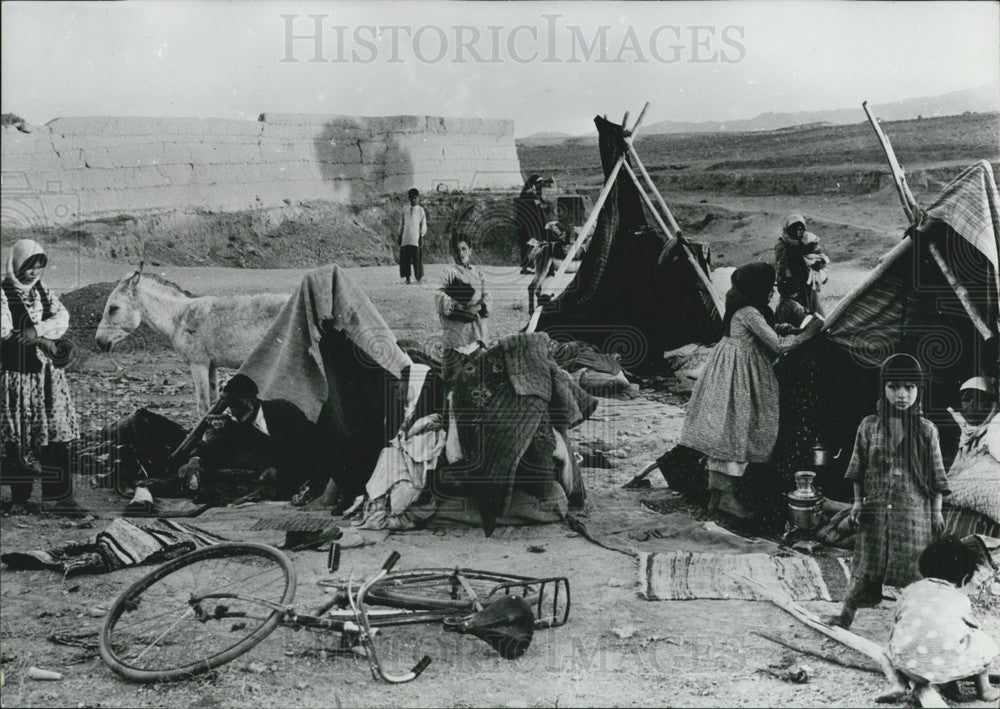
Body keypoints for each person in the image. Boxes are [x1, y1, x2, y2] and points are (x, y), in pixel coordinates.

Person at [679, 262, 821, 518]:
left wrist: (784, 328)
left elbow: (764, 332)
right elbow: (777, 345)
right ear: (758, 288)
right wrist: (808, 332)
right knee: (738, 431)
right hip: (740, 378)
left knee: (727, 432)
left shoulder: (744, 308)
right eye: (769, 287)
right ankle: (727, 498)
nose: (773, 292)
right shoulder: (748, 312)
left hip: (730, 373)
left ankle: (718, 495)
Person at [827, 353, 950, 629]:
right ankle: (845, 616)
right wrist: (858, 503)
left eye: (909, 387)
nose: (902, 394)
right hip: (875, 517)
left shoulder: (927, 431)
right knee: (864, 570)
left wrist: (937, 513)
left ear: (919, 389)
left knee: (916, 574)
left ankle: (919, 626)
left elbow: (938, 479)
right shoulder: (869, 426)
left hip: (914, 519)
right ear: (883, 387)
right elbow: (856, 469)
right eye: (894, 387)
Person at [0, 239, 82, 515]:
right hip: (18, 376)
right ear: (15, 264)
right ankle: (20, 498)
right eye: (29, 267)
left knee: (57, 431)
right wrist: (41, 341)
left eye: (38, 267)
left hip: (47, 376)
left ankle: (60, 497)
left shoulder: (42, 291)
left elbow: (62, 318)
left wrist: (38, 333)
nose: (34, 273)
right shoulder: (2, 292)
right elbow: (4, 331)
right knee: (19, 436)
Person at [879, 536, 999, 703]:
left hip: (908, 666)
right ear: (964, 578)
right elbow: (971, 627)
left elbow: (899, 616)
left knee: (886, 650)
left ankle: (897, 682)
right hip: (948, 666)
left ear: (923, 569)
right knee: (978, 638)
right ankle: (984, 689)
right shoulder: (959, 598)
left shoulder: (910, 590)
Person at [435, 234, 490, 385]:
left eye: (464, 249)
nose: (461, 253)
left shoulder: (478, 273)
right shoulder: (448, 272)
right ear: (452, 253)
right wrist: (455, 304)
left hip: (475, 336)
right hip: (455, 337)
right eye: (457, 250)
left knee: (478, 383)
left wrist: (478, 306)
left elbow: (487, 297)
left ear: (470, 251)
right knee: (451, 383)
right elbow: (438, 294)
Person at [774, 214, 828, 316]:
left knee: (812, 307)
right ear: (788, 229)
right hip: (792, 282)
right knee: (794, 309)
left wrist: (818, 264)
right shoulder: (782, 244)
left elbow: (819, 255)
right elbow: (781, 267)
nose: (798, 232)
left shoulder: (807, 240)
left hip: (807, 280)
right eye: (795, 229)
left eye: (801, 229)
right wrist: (787, 284)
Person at [514, 175, 548, 274]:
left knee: (533, 245)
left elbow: (543, 208)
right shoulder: (526, 195)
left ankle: (531, 266)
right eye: (538, 184)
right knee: (527, 245)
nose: (539, 187)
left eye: (540, 185)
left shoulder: (536, 196)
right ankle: (526, 266)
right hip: (526, 225)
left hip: (535, 226)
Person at [398, 188, 427, 285]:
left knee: (417, 261)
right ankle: (407, 279)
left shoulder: (421, 210)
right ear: (409, 198)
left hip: (416, 239)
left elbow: (423, 225)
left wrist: (421, 237)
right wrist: (400, 235)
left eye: (415, 198)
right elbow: (401, 223)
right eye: (411, 198)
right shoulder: (405, 209)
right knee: (405, 260)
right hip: (405, 238)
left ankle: (419, 279)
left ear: (418, 198)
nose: (413, 200)